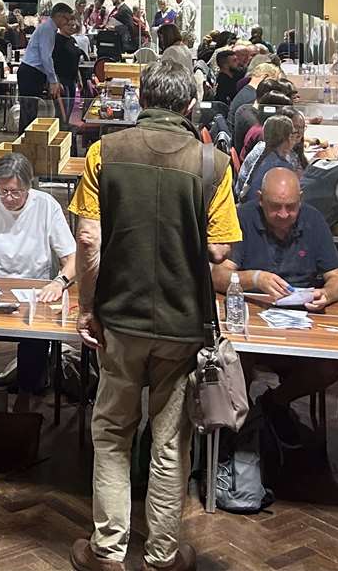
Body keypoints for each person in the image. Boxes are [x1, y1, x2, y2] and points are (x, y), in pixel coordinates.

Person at [70, 62, 240, 571]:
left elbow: (87, 239)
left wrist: (86, 307)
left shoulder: (105, 153)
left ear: (141, 97)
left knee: (112, 434)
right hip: (182, 323)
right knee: (170, 444)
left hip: (119, 319)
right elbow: (220, 249)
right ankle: (163, 554)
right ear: (190, 106)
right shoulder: (211, 163)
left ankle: (108, 551)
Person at [214, 168, 338, 431]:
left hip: (302, 321)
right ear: (261, 198)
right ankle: (240, 425)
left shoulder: (313, 220)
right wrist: (255, 278)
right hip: (251, 321)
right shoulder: (243, 217)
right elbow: (217, 275)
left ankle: (273, 403)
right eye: (275, 207)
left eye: (291, 207)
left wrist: (326, 294)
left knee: (331, 367)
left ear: (301, 199)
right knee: (234, 361)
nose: (284, 214)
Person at [0, 154, 75, 419]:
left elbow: (72, 259)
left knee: (36, 333)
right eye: (3, 191)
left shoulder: (46, 206)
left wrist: (59, 282)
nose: (8, 198)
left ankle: (26, 397)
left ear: (28, 187)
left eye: (15, 192)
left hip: (36, 289)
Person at [15, 1, 72, 134]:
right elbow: (45, 57)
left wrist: (53, 79)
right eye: (67, 19)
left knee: (30, 113)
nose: (67, 23)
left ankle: (26, 143)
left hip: (33, 72)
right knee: (28, 114)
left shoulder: (48, 29)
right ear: (59, 16)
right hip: (30, 72)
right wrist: (53, 81)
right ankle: (24, 144)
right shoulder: (47, 29)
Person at [237, 114, 301, 208]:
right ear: (287, 139)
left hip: (245, 204)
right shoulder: (281, 167)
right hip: (259, 212)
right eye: (292, 135)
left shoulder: (260, 148)